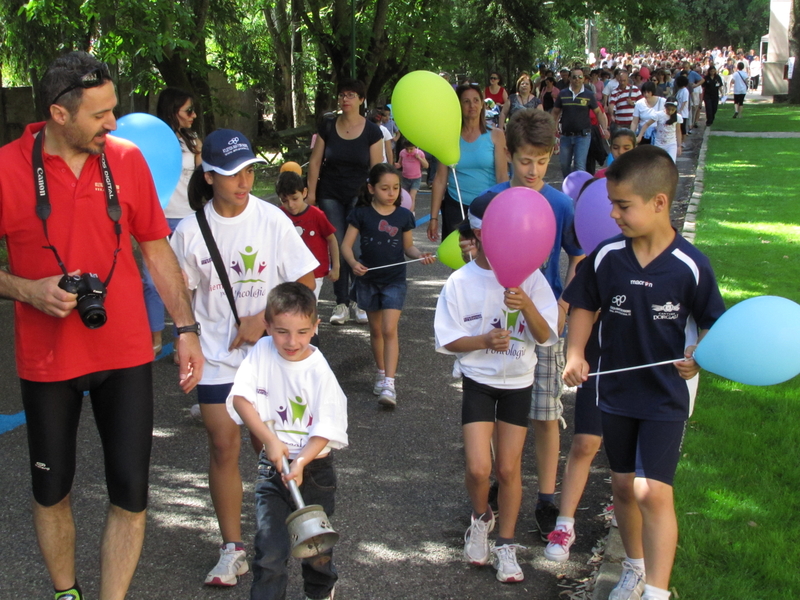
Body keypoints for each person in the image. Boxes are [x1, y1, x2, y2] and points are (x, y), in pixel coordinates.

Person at [0, 51, 203, 600]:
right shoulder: (6, 166)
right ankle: (67, 592)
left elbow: (157, 251)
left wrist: (185, 329)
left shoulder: (127, 158)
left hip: (126, 353)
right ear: (58, 115)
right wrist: (25, 289)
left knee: (131, 495)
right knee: (51, 491)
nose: (113, 123)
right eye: (100, 114)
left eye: (114, 110)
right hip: (47, 361)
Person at [562, 145, 726, 600]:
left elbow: (714, 323)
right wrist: (575, 353)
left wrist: (701, 355)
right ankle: (633, 567)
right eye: (612, 204)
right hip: (614, 391)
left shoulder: (692, 266)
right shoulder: (607, 256)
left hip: (665, 395)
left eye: (622, 205)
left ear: (659, 203)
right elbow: (583, 305)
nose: (612, 214)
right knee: (621, 486)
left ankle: (656, 590)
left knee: (652, 490)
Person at [170, 129, 317, 588]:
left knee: (268, 448)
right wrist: (183, 338)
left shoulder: (272, 220)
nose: (244, 181)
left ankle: (283, 531)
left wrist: (262, 319)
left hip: (271, 356)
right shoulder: (191, 231)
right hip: (215, 357)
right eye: (233, 173)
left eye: (250, 170)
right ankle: (232, 548)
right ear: (209, 176)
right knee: (222, 444)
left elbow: (307, 284)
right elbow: (180, 298)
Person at [469, 109, 585, 541]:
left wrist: (564, 303)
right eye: (524, 161)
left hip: (542, 323)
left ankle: (547, 497)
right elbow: (473, 254)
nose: (533, 170)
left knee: (544, 412)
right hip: (496, 321)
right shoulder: (490, 201)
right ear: (509, 155)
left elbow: (578, 256)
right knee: (501, 407)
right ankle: (504, 479)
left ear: (552, 156)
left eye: (541, 161)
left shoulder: (560, 204)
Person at [434, 196, 559, 584]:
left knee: (507, 468)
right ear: (477, 235)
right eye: (492, 232)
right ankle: (481, 519)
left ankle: (506, 545)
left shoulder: (533, 279)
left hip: (518, 383)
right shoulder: (460, 281)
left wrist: (526, 306)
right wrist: (484, 341)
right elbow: (448, 340)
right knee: (478, 467)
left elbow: (546, 337)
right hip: (479, 381)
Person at [227, 282, 348, 600]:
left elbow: (327, 426)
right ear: (266, 325)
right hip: (273, 468)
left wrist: (303, 460)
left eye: (302, 332)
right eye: (281, 331)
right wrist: (269, 439)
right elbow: (241, 399)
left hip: (314, 470)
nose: (292, 342)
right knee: (269, 549)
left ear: (315, 327)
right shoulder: (260, 353)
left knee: (315, 547)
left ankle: (320, 591)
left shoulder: (318, 369)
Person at [341, 164, 435, 406]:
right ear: (372, 188)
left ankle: (390, 384)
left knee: (389, 330)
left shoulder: (404, 215)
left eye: (395, 188)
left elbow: (408, 247)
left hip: (394, 280)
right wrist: (353, 263)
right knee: (375, 331)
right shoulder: (361, 214)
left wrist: (420, 255)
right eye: (385, 188)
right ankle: (381, 372)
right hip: (368, 280)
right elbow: (345, 246)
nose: (391, 193)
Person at [306, 79, 383, 325]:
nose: (345, 99)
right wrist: (311, 193)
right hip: (330, 193)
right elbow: (316, 161)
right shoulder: (328, 126)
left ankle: (360, 300)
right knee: (338, 247)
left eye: (351, 95)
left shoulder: (372, 131)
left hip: (359, 195)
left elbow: (376, 168)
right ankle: (341, 303)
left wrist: (378, 198)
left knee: (357, 248)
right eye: (342, 95)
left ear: (361, 100)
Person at [141, 87, 203, 356]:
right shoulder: (153, 140)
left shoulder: (194, 142)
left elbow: (201, 182)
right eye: (188, 110)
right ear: (172, 111)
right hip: (157, 219)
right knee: (151, 281)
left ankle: (184, 337)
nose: (194, 115)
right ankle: (154, 337)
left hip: (188, 217)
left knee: (187, 280)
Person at [427, 84, 507, 242]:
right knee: (458, 259)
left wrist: (505, 210)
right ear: (459, 106)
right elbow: (440, 179)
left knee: (487, 258)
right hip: (456, 206)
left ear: (482, 104)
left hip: (487, 206)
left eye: (476, 100)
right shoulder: (449, 137)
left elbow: (502, 176)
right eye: (466, 101)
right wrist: (434, 218)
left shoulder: (496, 135)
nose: (472, 105)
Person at [276, 171, 340, 300]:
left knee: (308, 307)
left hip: (315, 272)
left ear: (304, 193)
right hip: (288, 272)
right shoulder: (278, 215)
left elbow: (332, 239)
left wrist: (336, 266)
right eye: (285, 201)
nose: (291, 205)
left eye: (295, 199)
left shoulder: (317, 215)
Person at [552, 67, 609, 177]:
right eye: (574, 77)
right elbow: (555, 112)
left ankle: (579, 190)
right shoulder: (563, 94)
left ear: (583, 79)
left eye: (580, 77)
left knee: (580, 165)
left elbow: (598, 112)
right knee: (564, 164)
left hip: (583, 136)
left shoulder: (588, 94)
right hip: (566, 136)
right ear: (570, 78)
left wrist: (604, 128)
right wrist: (552, 127)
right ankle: (567, 188)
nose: (577, 79)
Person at [394, 138, 429, 212]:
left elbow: (426, 165)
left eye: (411, 149)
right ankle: (404, 210)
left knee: (412, 196)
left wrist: (419, 158)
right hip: (405, 178)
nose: (409, 151)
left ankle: (411, 213)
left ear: (415, 147)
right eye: (407, 149)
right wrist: (396, 165)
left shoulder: (419, 153)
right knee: (403, 196)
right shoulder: (402, 153)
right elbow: (400, 164)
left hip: (416, 179)